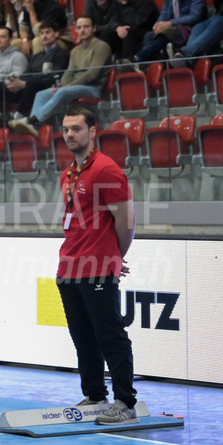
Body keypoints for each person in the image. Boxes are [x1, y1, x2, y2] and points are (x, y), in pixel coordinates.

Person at [57, 106, 138, 425]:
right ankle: (94, 395)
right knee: (82, 337)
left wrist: (113, 257)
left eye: (77, 128)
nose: (70, 134)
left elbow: (126, 222)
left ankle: (125, 402)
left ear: (93, 132)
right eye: (66, 129)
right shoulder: (68, 173)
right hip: (68, 268)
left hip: (97, 268)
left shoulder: (106, 169)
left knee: (110, 335)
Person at [11, 16, 111, 134]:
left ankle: (33, 120)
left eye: (86, 26)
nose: (82, 30)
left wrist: (69, 86)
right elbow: (69, 72)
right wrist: (61, 84)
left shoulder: (101, 47)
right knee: (41, 94)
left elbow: (92, 74)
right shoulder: (76, 50)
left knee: (62, 92)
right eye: (79, 27)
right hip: (75, 86)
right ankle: (34, 127)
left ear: (94, 28)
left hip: (94, 87)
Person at [132, 0, 207, 64]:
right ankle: (150, 67)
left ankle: (138, 58)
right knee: (150, 35)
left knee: (167, 32)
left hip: (191, 27)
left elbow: (195, 16)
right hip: (175, 26)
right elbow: (164, 12)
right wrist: (159, 24)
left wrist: (170, 23)